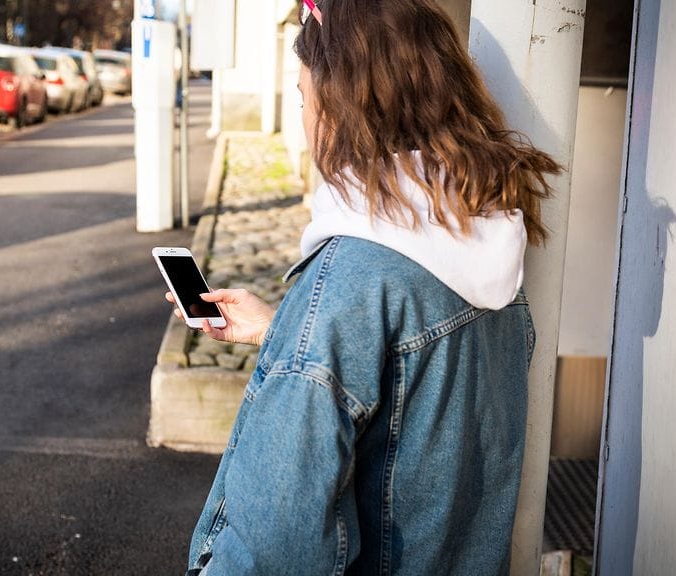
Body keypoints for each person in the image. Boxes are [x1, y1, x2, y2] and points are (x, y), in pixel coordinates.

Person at [169, 0, 561, 573]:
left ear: (343, 106)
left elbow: (274, 546)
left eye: (305, 100)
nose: (305, 122)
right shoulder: (486, 237)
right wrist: (283, 333)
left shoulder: (348, 280)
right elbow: (422, 401)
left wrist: (310, 341)